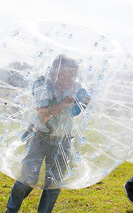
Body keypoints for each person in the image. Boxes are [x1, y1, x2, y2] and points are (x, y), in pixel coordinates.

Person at [6, 54, 89, 213]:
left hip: (62, 141)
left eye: (75, 75)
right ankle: (11, 211)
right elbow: (43, 115)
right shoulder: (43, 84)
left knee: (54, 184)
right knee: (27, 180)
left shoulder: (75, 86)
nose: (73, 79)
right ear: (56, 73)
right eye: (70, 75)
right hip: (40, 137)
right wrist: (65, 102)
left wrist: (87, 101)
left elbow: (82, 105)